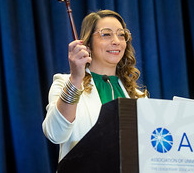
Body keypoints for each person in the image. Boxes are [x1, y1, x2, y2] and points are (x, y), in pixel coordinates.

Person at [42, 9, 148, 162]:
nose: (116, 41)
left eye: (121, 34)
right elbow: (55, 133)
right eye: (106, 34)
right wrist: (76, 79)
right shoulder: (65, 83)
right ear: (88, 44)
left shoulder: (138, 96)